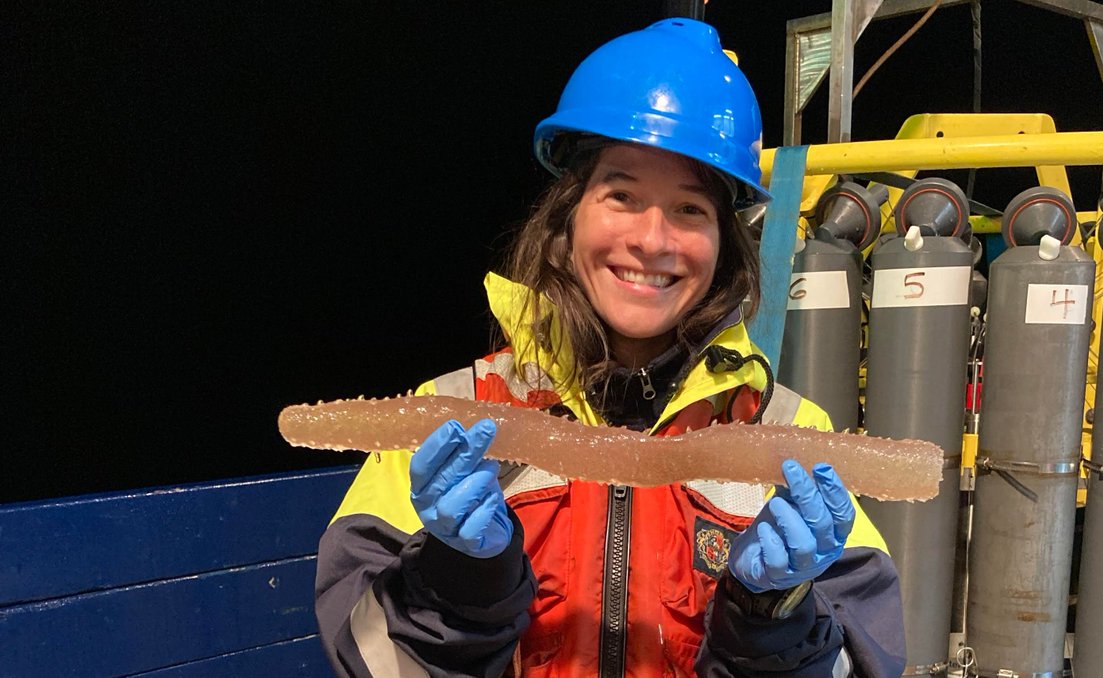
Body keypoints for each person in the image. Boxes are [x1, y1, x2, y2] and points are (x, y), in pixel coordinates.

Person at [315, 18, 905, 677]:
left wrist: (774, 615)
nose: (653, 240)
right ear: (566, 221)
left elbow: (866, 657)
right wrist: (458, 582)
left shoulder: (790, 433)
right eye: (622, 195)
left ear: (722, 246)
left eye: (689, 209)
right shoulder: (451, 413)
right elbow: (365, 659)